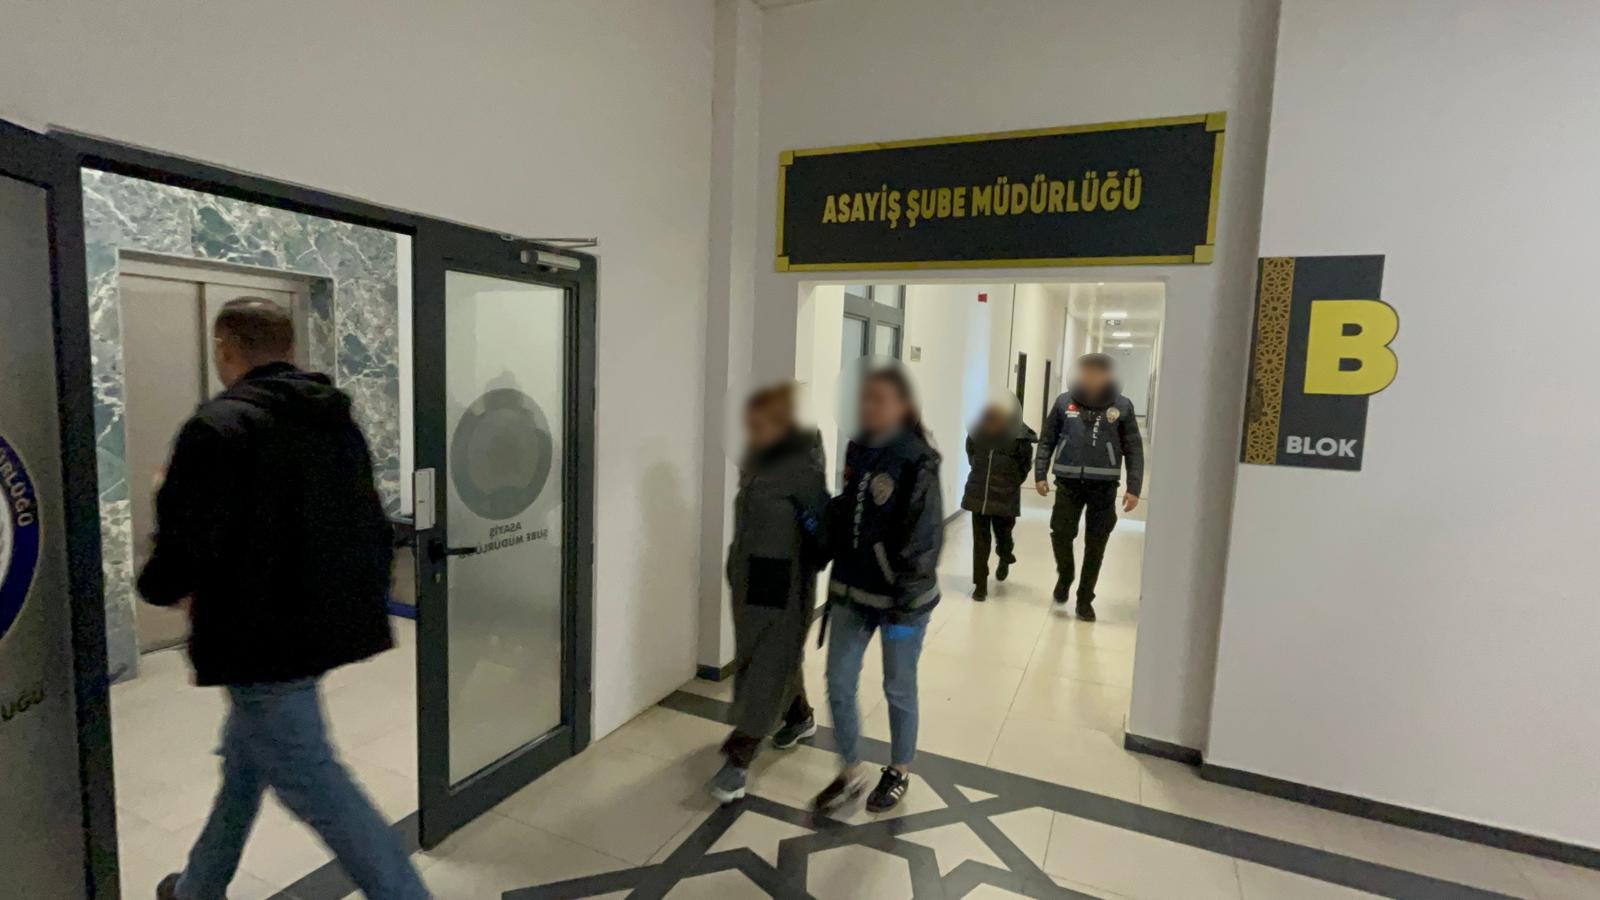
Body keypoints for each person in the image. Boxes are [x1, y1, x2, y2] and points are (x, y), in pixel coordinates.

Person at [140, 298, 429, 900]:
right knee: (245, 761)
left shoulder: (216, 427)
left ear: (225, 348)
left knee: (316, 782)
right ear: (289, 348)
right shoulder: (334, 420)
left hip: (258, 639)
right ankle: (198, 887)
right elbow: (365, 524)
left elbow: (187, 547)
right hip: (321, 625)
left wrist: (165, 517)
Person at [813, 365, 944, 815]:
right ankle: (851, 770)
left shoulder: (917, 460)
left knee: (898, 687)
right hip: (852, 591)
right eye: (865, 398)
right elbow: (852, 512)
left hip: (903, 603)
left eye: (880, 399)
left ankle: (899, 769)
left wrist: (903, 601)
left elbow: (924, 538)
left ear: (903, 406)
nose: (869, 407)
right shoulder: (859, 447)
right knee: (839, 682)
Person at [708, 383, 831, 804]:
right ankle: (798, 715)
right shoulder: (756, 460)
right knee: (764, 655)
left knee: (766, 663)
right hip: (748, 576)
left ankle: (740, 755)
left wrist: (801, 565)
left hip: (785, 581)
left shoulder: (804, 469)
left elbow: (824, 533)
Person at [1034, 353, 1144, 622]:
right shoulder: (1065, 402)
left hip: (1104, 485)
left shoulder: (1122, 406)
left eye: (1098, 372)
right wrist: (1040, 473)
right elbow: (1047, 439)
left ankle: (1085, 598)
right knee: (1061, 532)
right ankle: (1066, 575)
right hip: (1068, 481)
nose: (1093, 377)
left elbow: (1133, 448)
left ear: (1108, 376)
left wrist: (1134, 487)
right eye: (1088, 372)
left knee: (1096, 544)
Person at [960, 399, 1037, 601]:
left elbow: (1024, 465)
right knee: (980, 541)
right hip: (979, 494)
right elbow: (971, 454)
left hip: (1005, 495)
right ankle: (980, 584)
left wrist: (1011, 482)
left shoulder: (1019, 438)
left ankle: (1004, 555)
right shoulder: (976, 433)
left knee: (1003, 535)